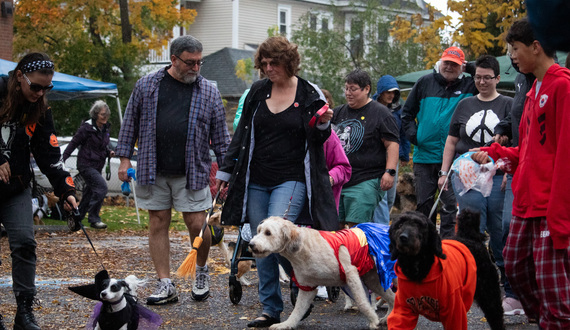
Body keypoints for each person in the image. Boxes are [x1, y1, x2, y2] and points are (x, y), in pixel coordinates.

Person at [214, 36, 337, 328]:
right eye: (264, 63)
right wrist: (225, 173)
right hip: (256, 178)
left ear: (288, 62)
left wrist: (324, 123)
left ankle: (301, 286)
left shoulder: (309, 93)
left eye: (274, 63)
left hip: (293, 179)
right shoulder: (257, 91)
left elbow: (319, 140)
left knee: (280, 237)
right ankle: (270, 308)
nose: (268, 68)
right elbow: (242, 135)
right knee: (260, 244)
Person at [116, 35, 230, 305]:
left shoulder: (209, 91)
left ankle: (200, 272)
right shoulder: (147, 86)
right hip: (152, 168)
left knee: (196, 224)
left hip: (192, 170)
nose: (196, 67)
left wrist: (227, 171)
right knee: (157, 222)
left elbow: (222, 136)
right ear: (174, 59)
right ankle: (165, 283)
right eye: (190, 62)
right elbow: (129, 123)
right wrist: (123, 159)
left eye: (199, 62)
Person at [471, 18, 570, 329]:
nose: (512, 56)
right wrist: (498, 154)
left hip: (549, 206)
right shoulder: (531, 90)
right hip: (525, 201)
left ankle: (557, 319)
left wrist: (561, 211)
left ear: (536, 47)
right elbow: (528, 151)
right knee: (514, 266)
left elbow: (565, 154)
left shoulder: (562, 86)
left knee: (551, 283)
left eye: (515, 49)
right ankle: (549, 318)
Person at [0, 53, 78, 330]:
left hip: (15, 187)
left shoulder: (40, 110)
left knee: (24, 242)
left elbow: (50, 157)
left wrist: (66, 190)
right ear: (20, 76)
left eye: (47, 88)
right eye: (36, 87)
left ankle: (24, 313)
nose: (41, 93)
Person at [438, 55, 512, 280]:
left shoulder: (509, 104)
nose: (482, 82)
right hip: (467, 176)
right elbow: (451, 141)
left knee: (500, 228)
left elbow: (517, 142)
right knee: (472, 227)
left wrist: (510, 170)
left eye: (487, 78)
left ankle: (506, 278)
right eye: (478, 77)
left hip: (498, 174)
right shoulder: (465, 104)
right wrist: (444, 172)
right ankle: (472, 276)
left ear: (497, 78)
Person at [401, 46, 477, 238]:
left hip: (453, 157)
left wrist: (470, 67)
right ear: (440, 62)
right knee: (424, 206)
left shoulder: (470, 85)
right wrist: (415, 137)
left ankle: (447, 245)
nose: (449, 67)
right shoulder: (424, 82)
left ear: (462, 67)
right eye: (447, 63)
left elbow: (489, 73)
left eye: (455, 64)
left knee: (450, 206)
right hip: (424, 155)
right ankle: (425, 244)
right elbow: (406, 114)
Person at [493, 44, 535, 316]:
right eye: (509, 50)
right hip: (518, 166)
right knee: (508, 228)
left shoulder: (557, 81)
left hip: (543, 172)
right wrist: (502, 129)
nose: (511, 56)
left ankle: (544, 298)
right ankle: (514, 294)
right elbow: (515, 118)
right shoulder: (521, 79)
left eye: (515, 49)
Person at [332, 69, 399, 227]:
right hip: (340, 180)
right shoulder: (338, 112)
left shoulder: (381, 113)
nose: (348, 93)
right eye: (347, 88)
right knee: (336, 228)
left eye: (353, 89)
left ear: (366, 89)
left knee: (357, 228)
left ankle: (361, 252)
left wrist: (390, 172)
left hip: (366, 179)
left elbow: (392, 144)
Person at [63, 100, 114, 229]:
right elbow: (73, 143)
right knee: (101, 188)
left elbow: (101, 147)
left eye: (107, 114)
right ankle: (94, 218)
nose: (105, 116)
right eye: (103, 114)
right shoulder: (86, 128)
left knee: (89, 193)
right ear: (96, 114)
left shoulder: (105, 128)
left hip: (98, 165)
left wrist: (109, 152)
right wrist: (62, 159)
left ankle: (76, 220)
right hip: (86, 164)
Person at [371, 75, 410, 224]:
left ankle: (382, 222)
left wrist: (405, 154)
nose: (391, 96)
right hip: (375, 156)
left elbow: (403, 133)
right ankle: (379, 228)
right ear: (381, 91)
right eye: (388, 92)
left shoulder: (399, 109)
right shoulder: (370, 107)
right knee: (380, 194)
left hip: (393, 157)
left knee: (390, 196)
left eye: (394, 93)